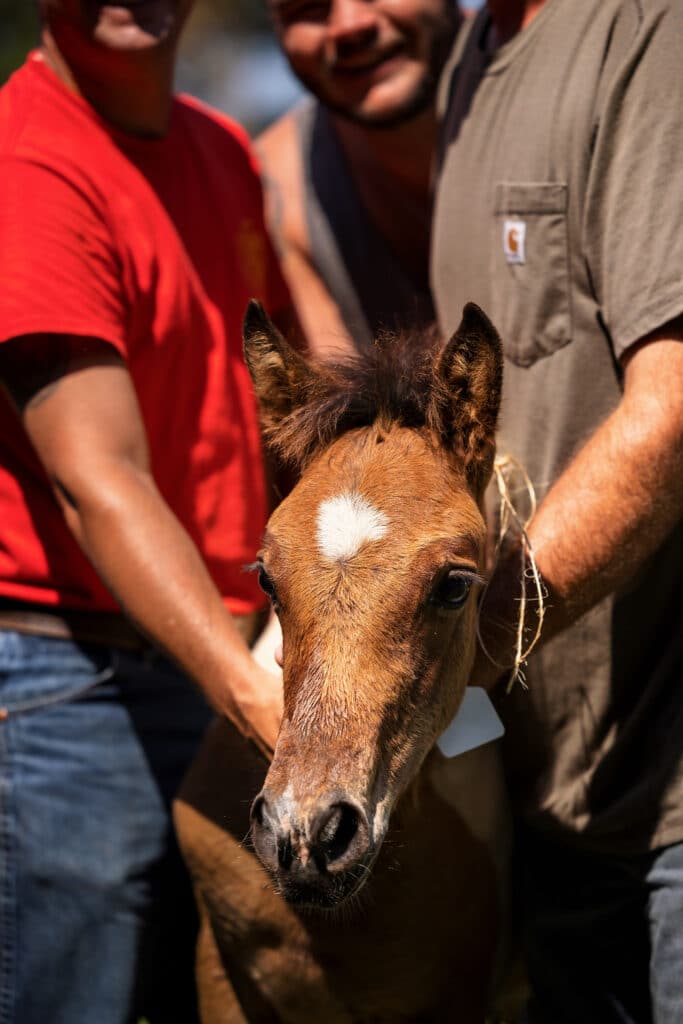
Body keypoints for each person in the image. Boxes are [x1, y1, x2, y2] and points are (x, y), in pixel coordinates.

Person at [0, 2, 290, 1021]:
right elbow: (98, 477)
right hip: (70, 690)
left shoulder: (221, 148)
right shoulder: (28, 160)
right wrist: (263, 707)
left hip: (210, 666)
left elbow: (281, 409)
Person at [430, 1, 683, 1021]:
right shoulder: (468, 60)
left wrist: (454, 654)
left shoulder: (646, 28)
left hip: (668, 811)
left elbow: (670, 409)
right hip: (551, 811)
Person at [259, 0, 461, 356]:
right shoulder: (273, 189)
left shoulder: (574, 88)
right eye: (306, 7)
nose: (349, 25)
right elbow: (331, 398)